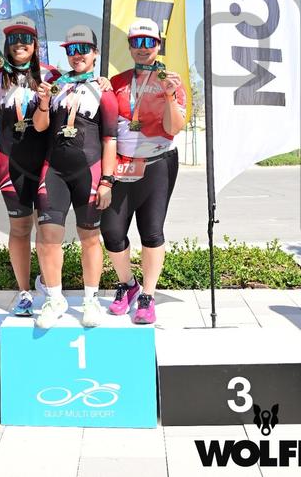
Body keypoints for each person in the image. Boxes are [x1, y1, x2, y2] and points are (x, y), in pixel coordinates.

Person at [100, 18, 186, 324]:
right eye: (136, 41)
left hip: (158, 163)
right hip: (122, 165)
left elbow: (173, 128)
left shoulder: (170, 80)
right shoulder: (117, 81)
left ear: (158, 45)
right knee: (111, 232)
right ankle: (128, 284)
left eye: (149, 42)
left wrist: (169, 95)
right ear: (129, 46)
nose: (143, 47)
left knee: (151, 231)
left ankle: (148, 295)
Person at [32, 25, 118, 329]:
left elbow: (110, 139)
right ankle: (55, 299)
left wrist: (107, 180)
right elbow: (40, 127)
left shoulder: (104, 90)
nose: (77, 55)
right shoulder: (56, 84)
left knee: (90, 238)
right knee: (47, 238)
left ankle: (90, 300)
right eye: (71, 50)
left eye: (83, 49)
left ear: (95, 53)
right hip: (53, 170)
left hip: (89, 172)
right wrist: (44, 101)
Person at [0, 16, 59, 316]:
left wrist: (102, 82)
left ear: (35, 45)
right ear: (7, 45)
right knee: (20, 228)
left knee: (47, 230)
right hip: (10, 163)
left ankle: (50, 287)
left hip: (46, 164)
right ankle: (24, 292)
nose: (19, 44)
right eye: (13, 39)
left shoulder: (51, 75)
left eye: (25, 39)